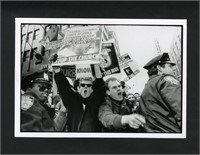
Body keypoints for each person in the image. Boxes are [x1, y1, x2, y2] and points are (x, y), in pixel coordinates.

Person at [53, 64, 106, 132]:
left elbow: (100, 85)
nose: (85, 87)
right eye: (83, 85)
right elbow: (64, 87)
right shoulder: (73, 100)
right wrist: (57, 71)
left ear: (92, 89)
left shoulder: (96, 101)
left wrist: (96, 66)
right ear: (78, 88)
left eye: (89, 85)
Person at [139, 53, 181, 133]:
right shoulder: (166, 80)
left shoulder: (146, 88)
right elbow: (181, 110)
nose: (174, 69)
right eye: (170, 66)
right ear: (159, 68)